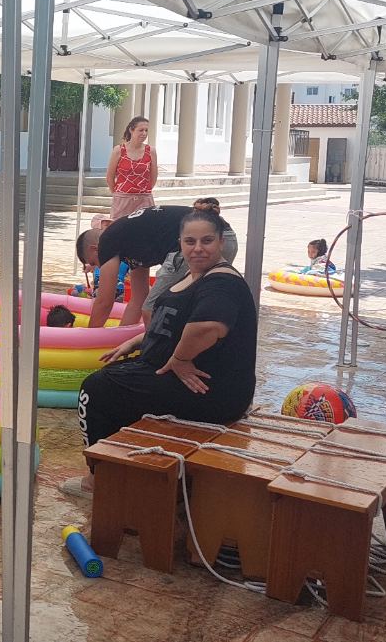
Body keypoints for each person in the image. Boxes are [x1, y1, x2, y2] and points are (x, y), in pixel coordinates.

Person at [63, 208, 258, 499]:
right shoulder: (195, 276)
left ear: (221, 243)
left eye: (207, 241)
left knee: (95, 390)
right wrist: (142, 340)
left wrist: (179, 359)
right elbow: (175, 321)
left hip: (210, 390)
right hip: (184, 377)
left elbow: (207, 327)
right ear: (179, 243)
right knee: (115, 378)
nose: (198, 248)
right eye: (190, 241)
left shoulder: (222, 283)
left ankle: (97, 479)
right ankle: (126, 470)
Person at [76, 200, 238, 328]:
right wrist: (119, 344)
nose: (97, 267)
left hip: (199, 244)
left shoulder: (107, 240)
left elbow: (105, 301)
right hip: (223, 240)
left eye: (93, 263)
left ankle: (157, 360)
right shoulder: (131, 243)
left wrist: (89, 337)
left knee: (152, 309)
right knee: (188, 306)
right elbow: (138, 300)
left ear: (94, 249)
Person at [105, 117, 157, 219]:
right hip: (122, 199)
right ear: (131, 130)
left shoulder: (151, 151)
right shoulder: (119, 150)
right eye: (141, 130)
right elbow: (109, 177)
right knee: (120, 230)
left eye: (146, 130)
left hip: (144, 199)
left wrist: (144, 191)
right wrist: (118, 194)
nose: (144, 133)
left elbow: (153, 176)